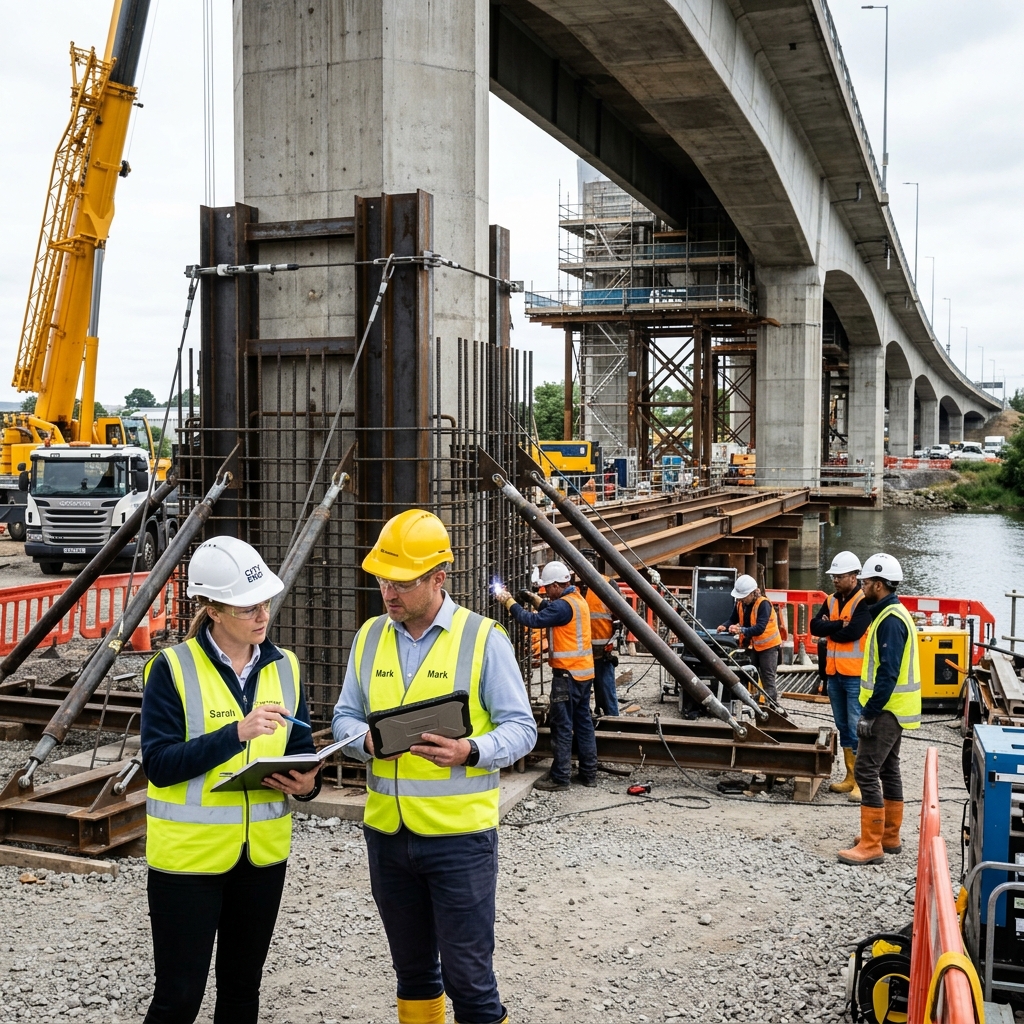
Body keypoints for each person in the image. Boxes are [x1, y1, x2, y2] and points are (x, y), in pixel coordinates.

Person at [331, 510, 536, 1024]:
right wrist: (366, 745)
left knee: (469, 978)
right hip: (387, 834)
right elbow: (344, 717)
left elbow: (522, 729)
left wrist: (470, 752)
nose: (388, 593)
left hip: (459, 840)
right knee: (414, 973)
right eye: (382, 581)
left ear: (438, 578)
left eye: (401, 583)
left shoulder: (483, 639)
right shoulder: (369, 637)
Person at [140, 537, 321, 1024]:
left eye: (263, 602)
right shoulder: (171, 669)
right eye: (247, 608)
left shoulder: (286, 667)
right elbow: (158, 763)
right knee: (178, 997)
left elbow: (302, 753)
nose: (262, 615)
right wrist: (235, 735)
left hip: (261, 858)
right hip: (188, 863)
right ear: (213, 610)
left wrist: (308, 784)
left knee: (242, 993)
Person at [837, 552, 921, 865]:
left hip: (886, 710)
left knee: (866, 770)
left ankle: (872, 845)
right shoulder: (892, 614)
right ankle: (889, 835)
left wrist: (869, 713)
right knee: (888, 768)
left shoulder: (890, 621)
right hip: (895, 708)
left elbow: (888, 672)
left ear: (880, 585)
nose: (862, 587)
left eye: (867, 582)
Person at [496, 561, 597, 791]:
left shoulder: (562, 606)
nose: (546, 593)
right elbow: (552, 610)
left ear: (555, 585)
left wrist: (508, 601)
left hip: (567, 676)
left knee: (561, 726)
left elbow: (531, 620)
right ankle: (588, 773)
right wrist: (533, 599)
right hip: (583, 675)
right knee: (583, 725)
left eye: (546, 589)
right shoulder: (577, 600)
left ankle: (560, 777)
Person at [810, 551, 872, 802]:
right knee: (843, 724)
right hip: (834, 673)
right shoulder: (832, 600)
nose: (835, 580)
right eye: (834, 576)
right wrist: (838, 625)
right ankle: (850, 777)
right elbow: (815, 627)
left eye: (839, 576)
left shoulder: (863, 600)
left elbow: (854, 633)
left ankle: (862, 781)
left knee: (857, 725)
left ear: (854, 577)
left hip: (854, 675)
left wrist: (831, 628)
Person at [717, 573, 782, 703]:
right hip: (752, 645)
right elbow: (733, 619)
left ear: (753, 593)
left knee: (768, 678)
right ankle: (753, 701)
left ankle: (771, 705)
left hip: (768, 647)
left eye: (744, 597)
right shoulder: (740, 603)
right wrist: (725, 626)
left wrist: (741, 630)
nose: (741, 600)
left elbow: (759, 628)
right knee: (749, 674)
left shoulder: (763, 604)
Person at [579, 549, 620, 718]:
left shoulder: (607, 584)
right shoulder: (576, 587)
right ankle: (593, 718)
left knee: (605, 688)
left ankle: (612, 721)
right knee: (584, 692)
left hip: (603, 650)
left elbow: (619, 617)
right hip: (583, 652)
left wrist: (614, 645)